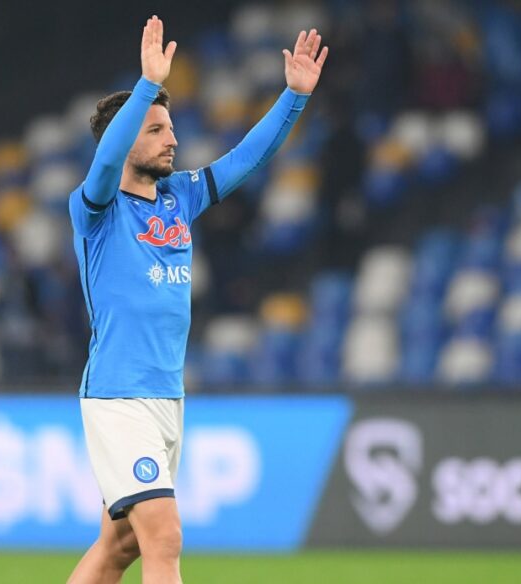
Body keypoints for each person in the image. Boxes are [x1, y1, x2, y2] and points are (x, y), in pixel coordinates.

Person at [66, 15, 327, 584]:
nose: (173, 139)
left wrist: (293, 98)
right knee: (165, 534)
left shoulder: (178, 199)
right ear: (129, 134)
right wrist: (146, 85)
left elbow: (245, 160)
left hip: (167, 395)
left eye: (171, 127)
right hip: (119, 394)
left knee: (121, 545)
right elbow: (106, 163)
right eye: (157, 130)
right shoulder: (96, 210)